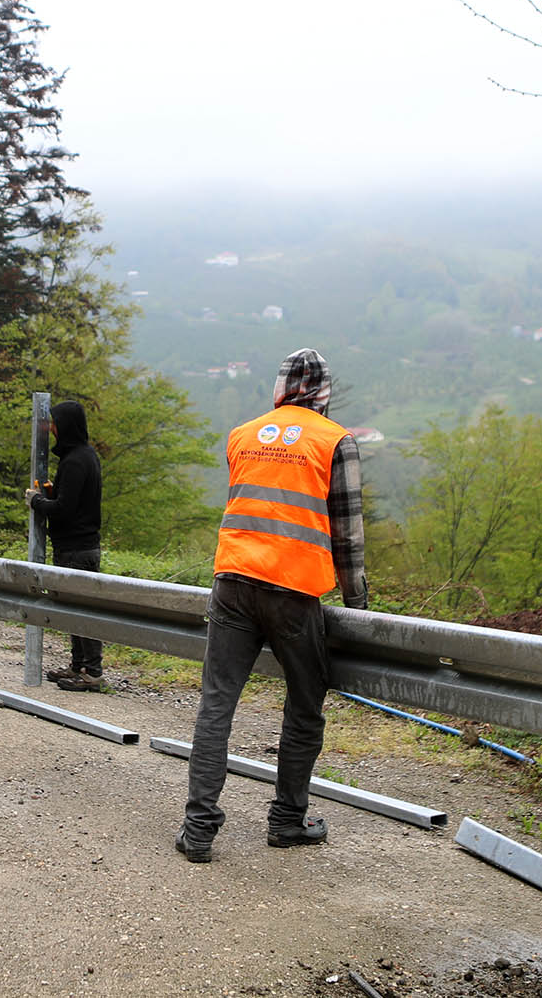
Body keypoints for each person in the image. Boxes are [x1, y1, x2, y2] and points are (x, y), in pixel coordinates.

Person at [176, 347, 368, 864]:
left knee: (217, 702)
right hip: (294, 592)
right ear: (324, 393)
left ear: (280, 387)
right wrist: (358, 605)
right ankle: (287, 820)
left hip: (233, 581)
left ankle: (198, 831)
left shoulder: (242, 434)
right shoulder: (336, 441)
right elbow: (347, 535)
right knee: (304, 706)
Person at [24, 400, 104, 691]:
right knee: (75, 609)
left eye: (55, 423)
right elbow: (74, 500)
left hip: (75, 549)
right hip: (82, 546)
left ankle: (91, 672)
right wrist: (52, 494)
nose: (52, 429)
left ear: (67, 425)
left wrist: (37, 501)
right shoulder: (85, 456)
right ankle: (78, 665)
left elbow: (65, 510)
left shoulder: (74, 461)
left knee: (82, 610)